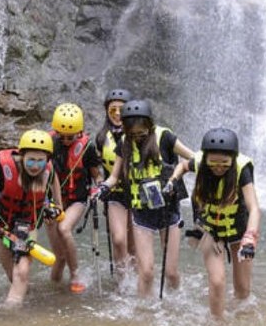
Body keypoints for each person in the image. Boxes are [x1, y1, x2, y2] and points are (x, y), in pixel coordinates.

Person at [94, 99, 194, 298]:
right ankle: (142, 314)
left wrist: (174, 179)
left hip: (168, 212)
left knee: (171, 273)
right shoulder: (124, 143)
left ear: (150, 125)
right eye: (133, 134)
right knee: (146, 272)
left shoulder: (164, 137)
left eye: (142, 133)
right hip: (142, 213)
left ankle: (176, 303)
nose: (138, 138)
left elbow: (193, 158)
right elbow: (114, 176)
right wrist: (103, 188)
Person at [169, 128, 261, 319]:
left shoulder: (241, 169)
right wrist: (172, 181)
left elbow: (254, 208)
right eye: (214, 162)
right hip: (210, 230)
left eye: (224, 163)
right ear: (206, 158)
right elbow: (183, 165)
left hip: (239, 230)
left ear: (232, 159)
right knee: (217, 281)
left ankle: (242, 322)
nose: (218, 167)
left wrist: (250, 237)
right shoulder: (201, 162)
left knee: (243, 290)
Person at [0, 129, 63, 307]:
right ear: (21, 156)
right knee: (13, 275)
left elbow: (53, 178)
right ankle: (26, 299)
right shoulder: (4, 164)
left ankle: (9, 315)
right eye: (31, 160)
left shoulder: (48, 169)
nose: (35, 166)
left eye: (40, 161)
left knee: (22, 273)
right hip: (0, 225)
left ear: (47, 160)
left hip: (27, 225)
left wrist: (57, 205)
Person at [47, 102, 104, 293]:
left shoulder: (87, 147)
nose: (65, 140)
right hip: (51, 202)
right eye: (61, 136)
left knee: (64, 229)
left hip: (76, 200)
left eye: (69, 137)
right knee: (59, 256)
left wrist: (99, 186)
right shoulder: (48, 143)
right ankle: (54, 289)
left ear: (79, 132)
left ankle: (75, 274)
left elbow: (96, 174)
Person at [94, 88, 137, 277]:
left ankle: (135, 280)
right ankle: (122, 282)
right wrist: (98, 183)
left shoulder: (140, 136)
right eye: (113, 110)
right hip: (115, 193)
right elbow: (96, 167)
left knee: (133, 242)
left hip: (137, 193)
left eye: (122, 109)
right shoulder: (101, 138)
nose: (118, 114)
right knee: (119, 239)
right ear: (106, 111)